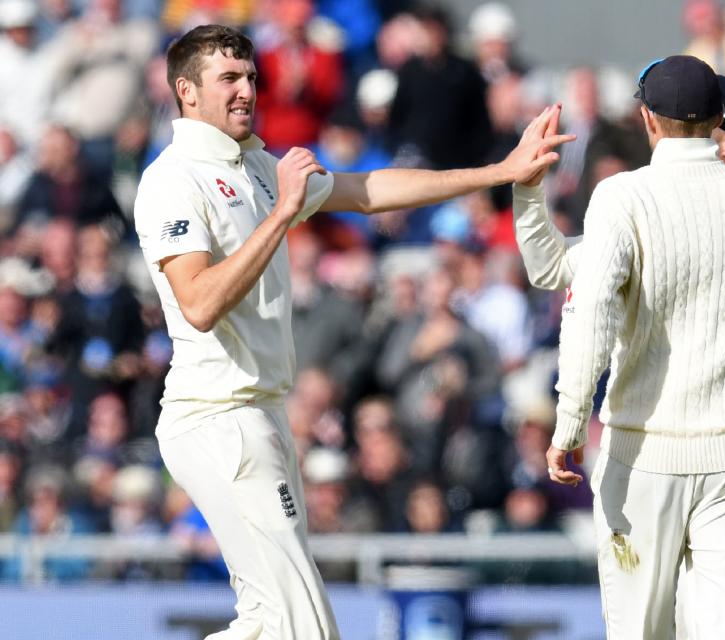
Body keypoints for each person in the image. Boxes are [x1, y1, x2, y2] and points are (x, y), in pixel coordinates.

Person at [133, 24, 572, 640]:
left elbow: (370, 191)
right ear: (186, 92)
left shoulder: (257, 164)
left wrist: (498, 172)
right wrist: (285, 212)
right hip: (216, 416)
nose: (245, 91)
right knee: (300, 628)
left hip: (260, 415)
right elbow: (200, 303)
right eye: (228, 79)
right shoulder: (172, 179)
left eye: (251, 78)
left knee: (275, 624)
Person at [514, 56, 725, 638]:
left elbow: (587, 318)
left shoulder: (622, 198)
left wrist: (569, 426)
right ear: (714, 121)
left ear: (647, 120)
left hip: (644, 459)